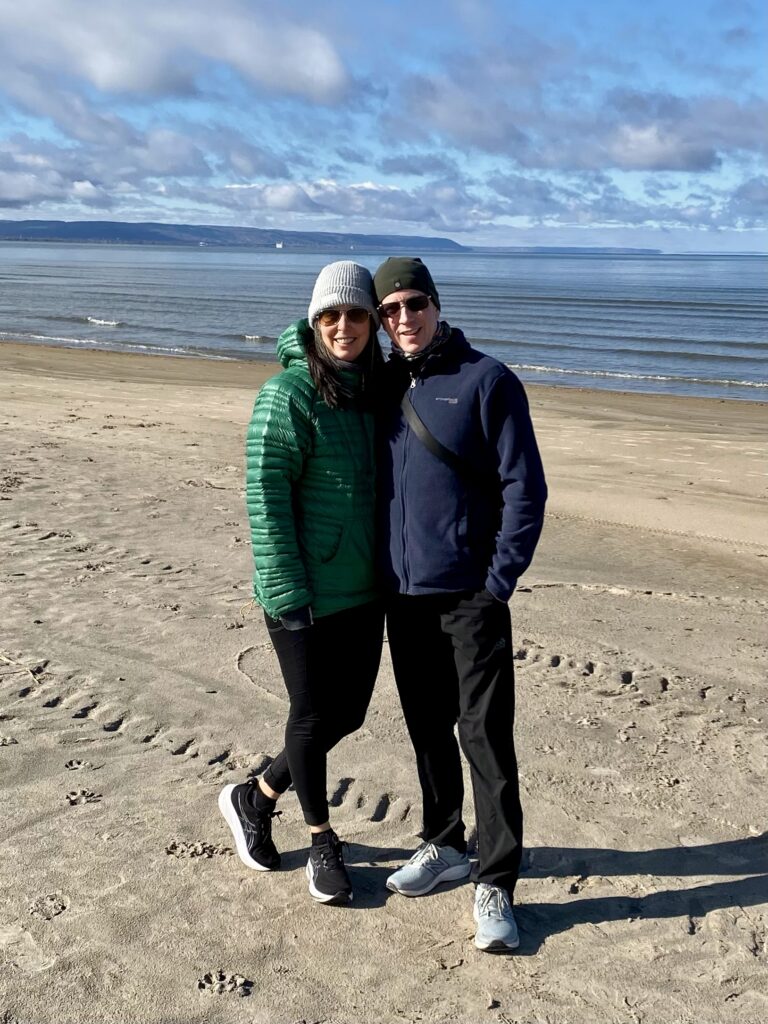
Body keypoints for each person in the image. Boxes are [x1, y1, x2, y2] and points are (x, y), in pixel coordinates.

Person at [373, 257, 547, 951]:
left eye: (414, 305)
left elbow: (525, 490)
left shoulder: (488, 381)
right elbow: (318, 346)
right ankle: (444, 845)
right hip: (403, 597)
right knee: (426, 728)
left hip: (471, 597)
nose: (404, 320)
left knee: (485, 737)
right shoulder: (382, 385)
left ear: (436, 306)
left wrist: (496, 583)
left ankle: (496, 881)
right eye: (390, 312)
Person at [219, 261, 384, 906]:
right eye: (331, 316)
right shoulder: (286, 394)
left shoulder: (375, 389)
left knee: (348, 713)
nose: (344, 326)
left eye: (356, 314)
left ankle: (253, 795)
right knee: (313, 715)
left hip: (367, 587)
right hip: (305, 591)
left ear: (372, 321)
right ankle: (320, 838)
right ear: (315, 322)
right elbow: (265, 495)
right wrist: (287, 592)